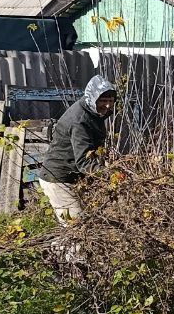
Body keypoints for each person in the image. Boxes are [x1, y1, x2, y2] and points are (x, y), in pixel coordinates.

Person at [37, 75, 117, 224]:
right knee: (77, 227)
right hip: (58, 179)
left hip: (73, 178)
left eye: (110, 101)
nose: (107, 106)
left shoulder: (93, 113)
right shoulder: (80, 121)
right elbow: (84, 162)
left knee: (91, 223)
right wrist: (111, 175)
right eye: (103, 101)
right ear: (92, 98)